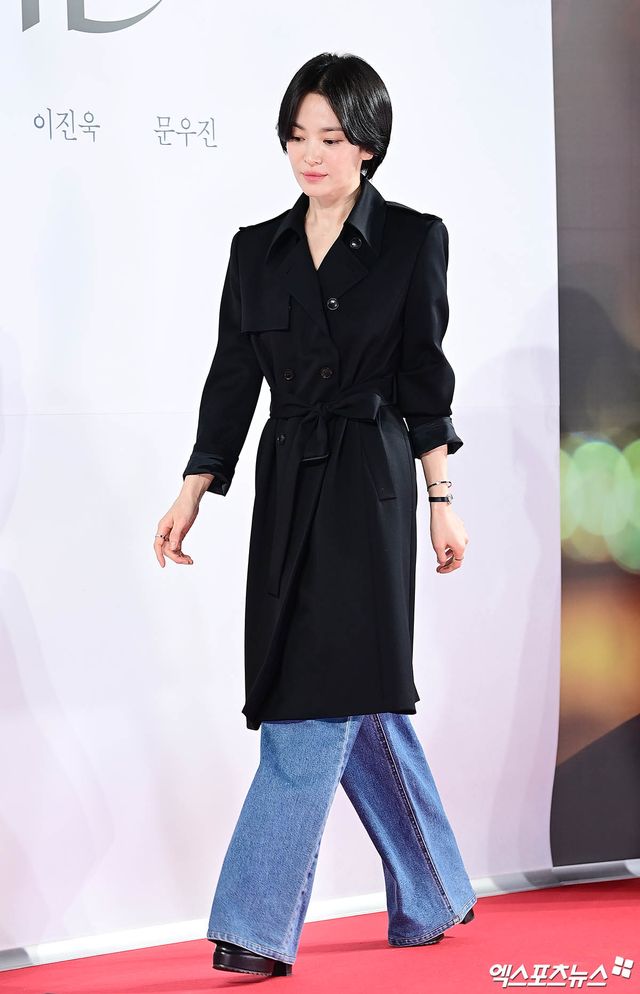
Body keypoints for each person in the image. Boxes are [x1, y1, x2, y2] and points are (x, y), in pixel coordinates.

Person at [154, 52, 476, 978]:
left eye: (331, 137)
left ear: (368, 144)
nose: (311, 154)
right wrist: (193, 487)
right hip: (288, 481)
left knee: (312, 698)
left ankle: (254, 922)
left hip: (369, 486)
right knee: (351, 690)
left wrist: (441, 501)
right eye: (298, 136)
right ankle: (435, 887)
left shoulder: (413, 239)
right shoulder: (256, 249)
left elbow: (423, 380)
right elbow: (232, 378)